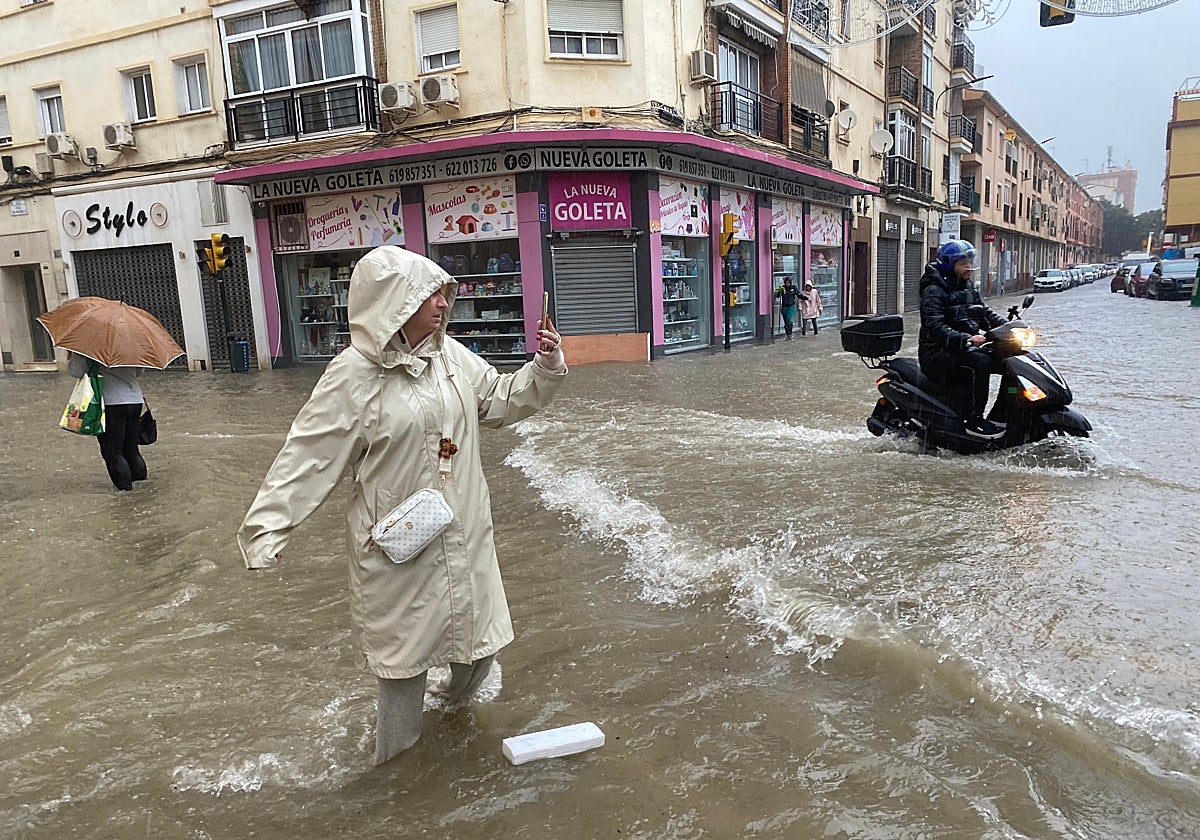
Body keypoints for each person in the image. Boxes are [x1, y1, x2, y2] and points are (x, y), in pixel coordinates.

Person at [236, 246, 567, 766]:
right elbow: (308, 455)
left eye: (442, 293)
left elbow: (499, 399)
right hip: (399, 548)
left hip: (464, 533)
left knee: (478, 648)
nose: (441, 304)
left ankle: (447, 719)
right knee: (403, 670)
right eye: (427, 295)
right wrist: (268, 529)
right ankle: (394, 777)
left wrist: (543, 367)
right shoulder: (353, 376)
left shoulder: (450, 357)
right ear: (393, 303)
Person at [918, 239, 1007, 439]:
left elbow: (984, 313)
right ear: (950, 265)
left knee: (1007, 358)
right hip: (938, 354)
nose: (969, 267)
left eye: (970, 261)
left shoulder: (966, 286)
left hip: (962, 349)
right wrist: (966, 339)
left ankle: (1005, 413)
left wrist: (1009, 326)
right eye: (963, 263)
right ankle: (973, 421)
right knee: (980, 362)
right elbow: (935, 327)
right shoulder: (933, 290)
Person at [67, 351, 146, 491]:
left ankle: (126, 494)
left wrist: (71, 355)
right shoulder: (131, 343)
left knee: (113, 453)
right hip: (135, 400)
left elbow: (76, 371)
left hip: (110, 403)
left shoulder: (89, 345)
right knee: (131, 450)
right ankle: (143, 490)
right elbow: (139, 372)